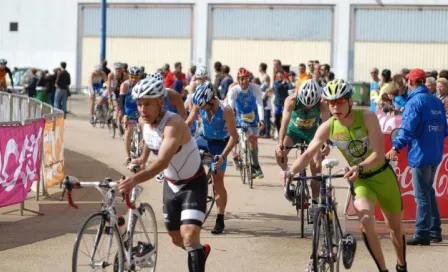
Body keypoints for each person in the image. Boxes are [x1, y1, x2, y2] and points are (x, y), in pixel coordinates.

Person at [281, 79, 407, 272]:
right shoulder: (328, 126)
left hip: (382, 175)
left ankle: (401, 265)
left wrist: (359, 166)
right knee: (365, 219)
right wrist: (290, 172)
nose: (335, 107)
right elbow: (307, 155)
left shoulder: (367, 116)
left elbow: (378, 153)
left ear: (350, 101)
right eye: (331, 102)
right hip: (361, 180)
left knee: (395, 230)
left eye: (339, 101)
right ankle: (383, 269)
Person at [118, 76, 211, 272]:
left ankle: (196, 252)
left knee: (190, 235)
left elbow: (161, 162)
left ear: (161, 101)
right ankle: (199, 252)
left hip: (193, 183)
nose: (143, 110)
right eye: (140, 104)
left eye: (148, 104)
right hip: (171, 184)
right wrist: (142, 160)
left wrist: (133, 180)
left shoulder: (174, 124)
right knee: (177, 239)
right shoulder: (144, 123)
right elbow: (149, 142)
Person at [386, 68, 447, 246]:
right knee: (429, 191)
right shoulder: (436, 101)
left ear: (411, 83)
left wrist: (396, 147)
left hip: (420, 154)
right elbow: (445, 129)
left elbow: (407, 129)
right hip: (435, 153)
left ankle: (422, 232)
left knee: (421, 195)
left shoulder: (414, 102)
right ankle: (435, 231)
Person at [186, 82, 237, 234]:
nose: (200, 109)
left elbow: (234, 137)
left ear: (211, 101)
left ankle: (220, 219)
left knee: (218, 181)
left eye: (203, 107)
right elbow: (189, 120)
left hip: (220, 145)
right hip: (203, 139)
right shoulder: (199, 103)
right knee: (185, 154)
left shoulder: (226, 111)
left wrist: (222, 156)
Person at [275, 79, 330, 221]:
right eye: (305, 104)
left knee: (316, 165)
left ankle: (315, 202)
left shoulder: (323, 102)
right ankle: (286, 173)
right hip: (294, 131)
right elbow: (284, 122)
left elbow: (326, 124)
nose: (307, 107)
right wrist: (280, 142)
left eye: (311, 105)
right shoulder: (291, 100)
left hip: (313, 133)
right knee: (280, 152)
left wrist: (325, 143)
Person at [227, 68, 265, 179]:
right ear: (238, 80)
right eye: (242, 79)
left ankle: (255, 165)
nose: (244, 82)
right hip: (241, 117)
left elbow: (259, 104)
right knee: (250, 136)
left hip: (254, 117)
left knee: (254, 142)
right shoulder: (234, 90)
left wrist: (262, 120)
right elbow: (230, 107)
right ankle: (247, 161)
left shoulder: (255, 88)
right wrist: (230, 121)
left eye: (246, 79)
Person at [119, 67, 142, 164]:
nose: (134, 79)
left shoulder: (141, 85)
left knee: (145, 127)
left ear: (139, 77)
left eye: (136, 77)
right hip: (128, 109)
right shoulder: (125, 85)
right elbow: (121, 102)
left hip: (139, 108)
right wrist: (124, 114)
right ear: (129, 76)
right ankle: (128, 156)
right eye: (132, 77)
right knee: (129, 131)